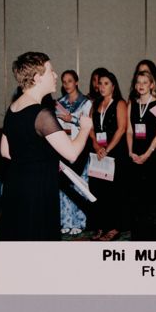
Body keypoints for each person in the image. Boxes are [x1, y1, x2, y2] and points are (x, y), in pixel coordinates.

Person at [0, 52, 92, 241]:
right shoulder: (41, 114)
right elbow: (72, 153)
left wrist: (43, 157)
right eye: (51, 71)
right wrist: (85, 128)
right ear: (37, 77)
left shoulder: (13, 108)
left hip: (17, 187)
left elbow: (6, 152)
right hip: (38, 190)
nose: (56, 76)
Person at [126, 70, 156, 240]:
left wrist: (147, 154)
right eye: (138, 82)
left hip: (153, 156)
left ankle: (155, 239)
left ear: (152, 85)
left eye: (145, 82)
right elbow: (129, 130)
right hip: (135, 155)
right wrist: (130, 151)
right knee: (138, 199)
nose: (141, 85)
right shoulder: (132, 104)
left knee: (153, 199)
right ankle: (139, 238)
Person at [88, 69, 128, 241]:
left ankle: (114, 227)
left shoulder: (120, 103)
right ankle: (100, 225)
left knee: (114, 192)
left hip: (115, 152)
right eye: (100, 83)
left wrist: (108, 149)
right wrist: (97, 146)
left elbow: (122, 129)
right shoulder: (95, 104)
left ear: (113, 86)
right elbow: (90, 128)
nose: (101, 86)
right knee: (97, 189)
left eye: (106, 84)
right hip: (98, 152)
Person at [55, 70, 92, 236]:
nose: (67, 84)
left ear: (76, 82)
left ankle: (79, 220)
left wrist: (73, 120)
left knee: (78, 185)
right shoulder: (59, 103)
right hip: (64, 147)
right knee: (64, 186)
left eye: (70, 81)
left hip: (80, 147)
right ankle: (66, 220)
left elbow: (89, 125)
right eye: (64, 82)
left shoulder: (86, 103)